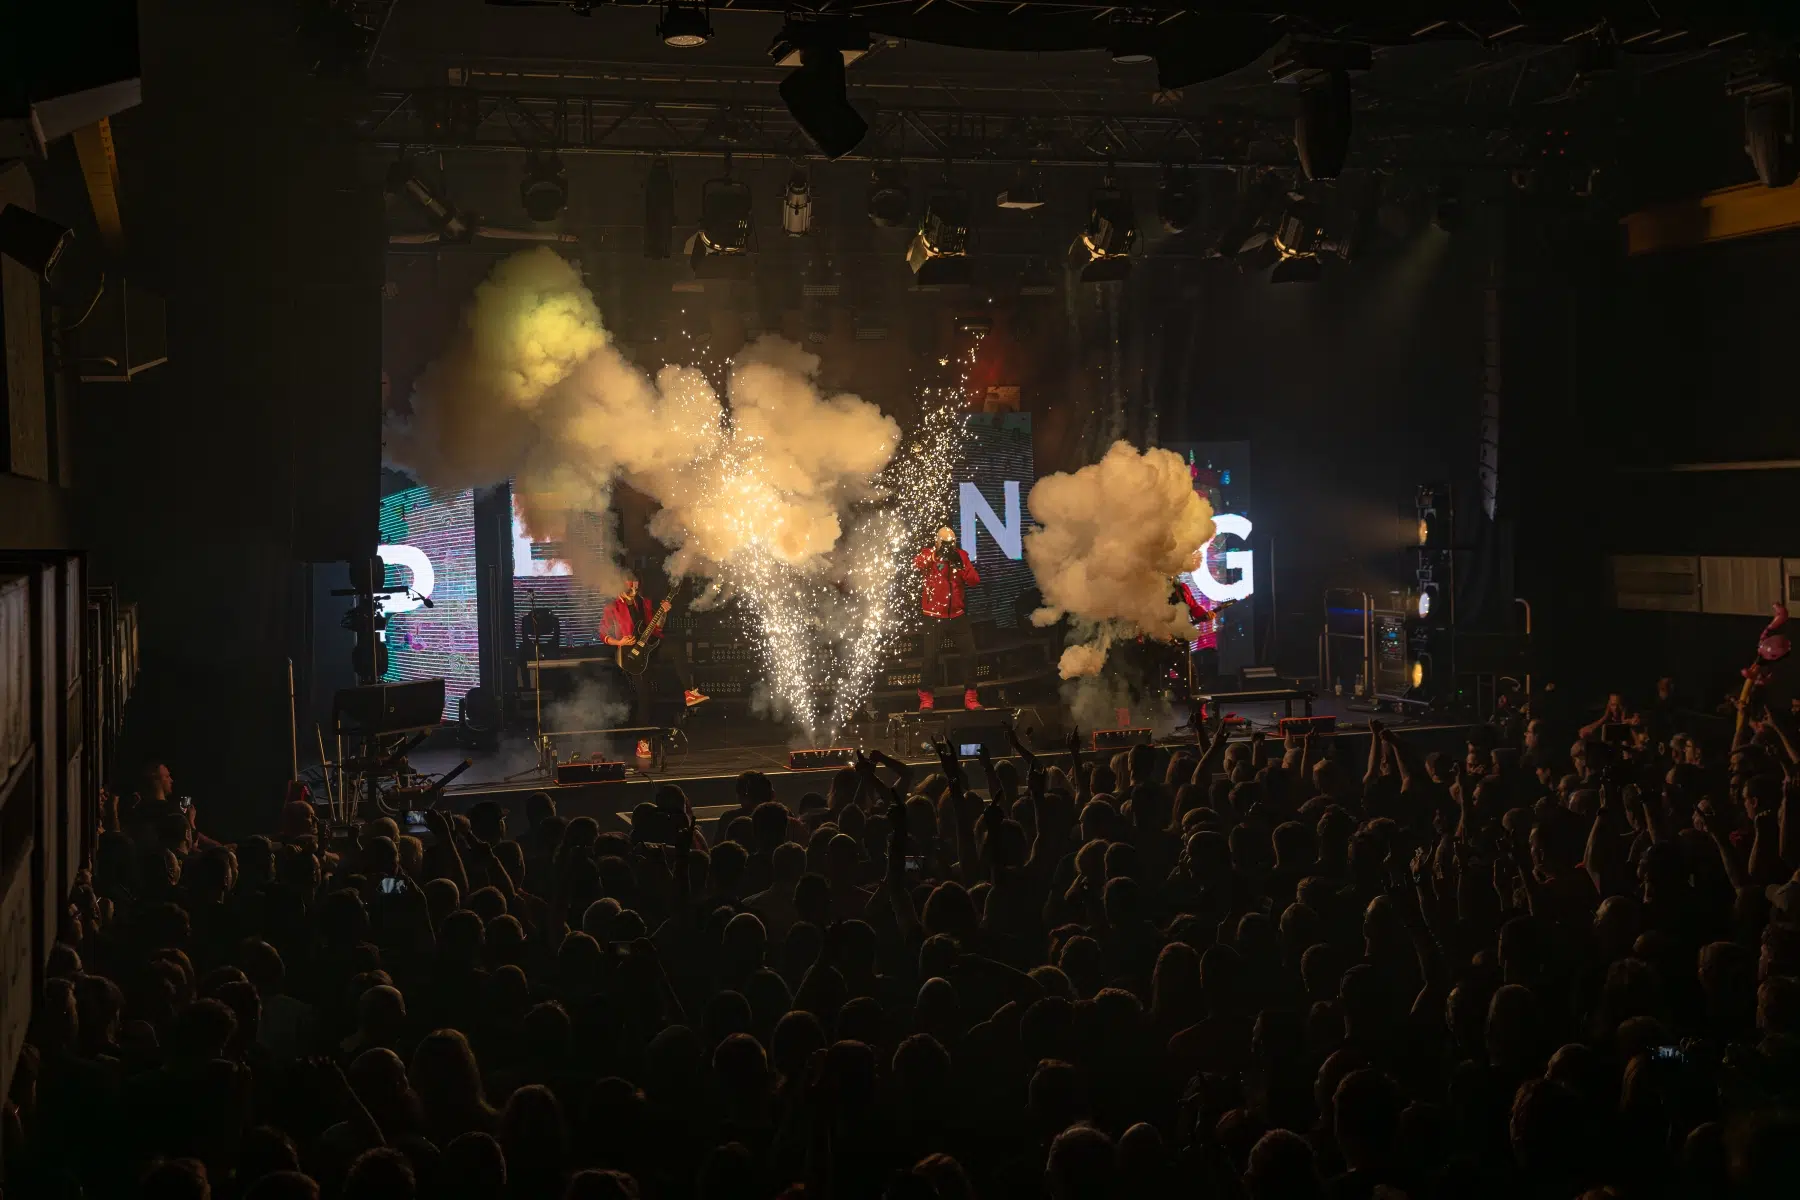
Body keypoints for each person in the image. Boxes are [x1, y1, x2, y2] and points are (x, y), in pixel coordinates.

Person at [598, 570, 707, 724]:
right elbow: (603, 634)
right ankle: (642, 735)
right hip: (630, 654)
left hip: (650, 648)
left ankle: (690, 693)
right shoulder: (612, 607)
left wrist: (663, 613)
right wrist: (619, 642)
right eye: (630, 587)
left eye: (636, 587)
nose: (634, 591)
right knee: (644, 695)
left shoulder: (644, 602)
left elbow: (656, 628)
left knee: (675, 648)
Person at [912, 526, 981, 711]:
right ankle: (926, 695)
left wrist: (961, 565)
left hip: (957, 615)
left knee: (970, 654)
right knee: (930, 657)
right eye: (945, 543)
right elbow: (917, 564)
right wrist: (935, 556)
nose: (948, 547)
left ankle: (971, 695)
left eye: (951, 543)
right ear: (937, 542)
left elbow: (974, 580)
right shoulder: (929, 554)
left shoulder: (961, 556)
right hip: (933, 616)